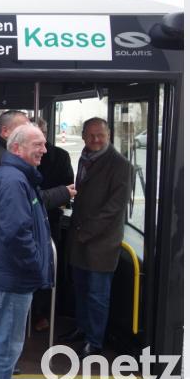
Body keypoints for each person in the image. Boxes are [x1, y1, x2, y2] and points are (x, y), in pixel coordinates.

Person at [0, 123, 53, 379]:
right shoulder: (13, 180)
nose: (44, 150)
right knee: (8, 345)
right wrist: (36, 265)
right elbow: (16, 233)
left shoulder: (14, 176)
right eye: (38, 145)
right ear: (16, 148)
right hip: (14, 277)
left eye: (44, 144)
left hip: (9, 275)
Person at [60, 117, 132, 358]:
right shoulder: (84, 157)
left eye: (100, 135)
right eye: (90, 135)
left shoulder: (120, 164)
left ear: (109, 134)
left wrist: (85, 232)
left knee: (97, 295)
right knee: (80, 289)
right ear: (83, 136)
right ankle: (82, 328)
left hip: (101, 243)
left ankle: (95, 341)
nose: (95, 139)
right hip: (80, 238)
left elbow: (114, 208)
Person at [30, 117, 75, 332]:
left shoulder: (61, 156)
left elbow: (69, 189)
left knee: (47, 266)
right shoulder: (18, 157)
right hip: (27, 220)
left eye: (40, 135)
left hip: (50, 219)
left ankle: (40, 313)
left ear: (46, 134)